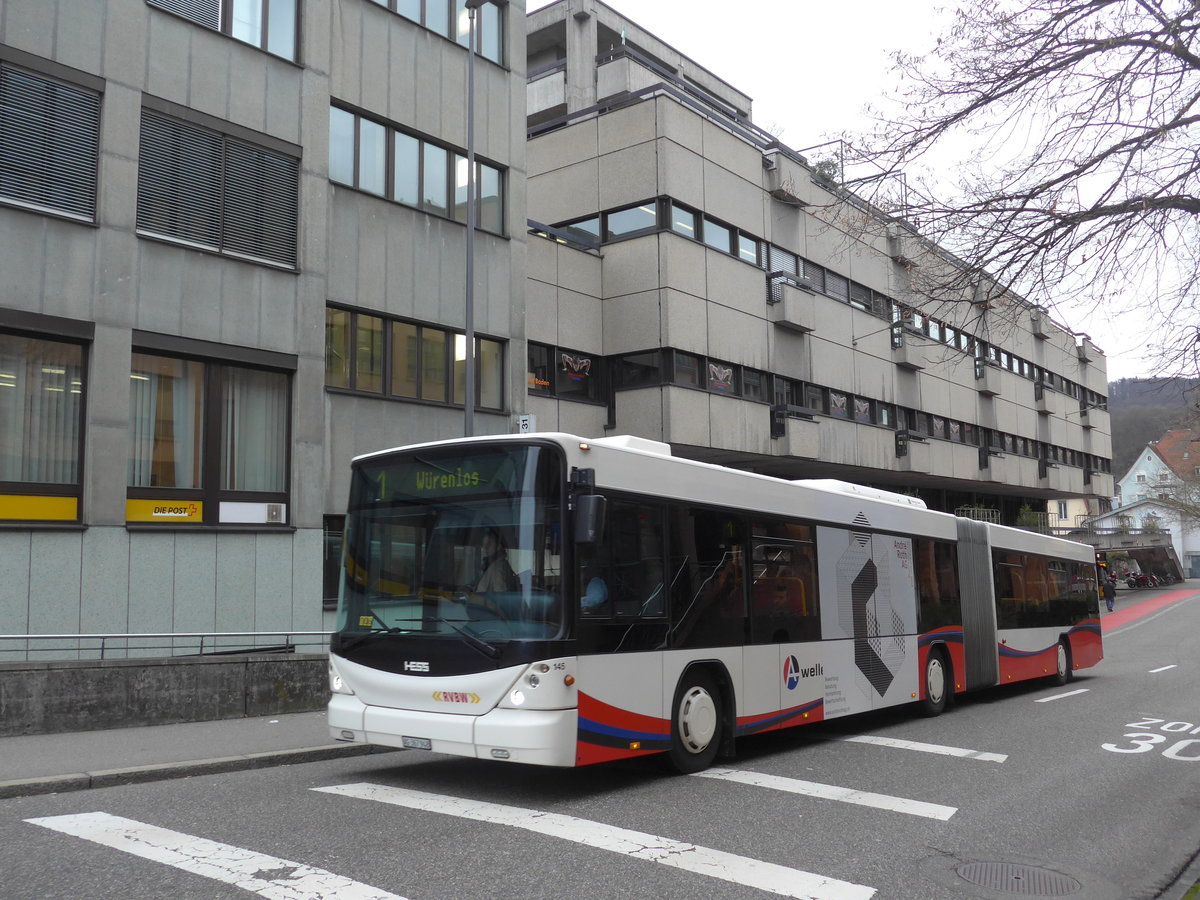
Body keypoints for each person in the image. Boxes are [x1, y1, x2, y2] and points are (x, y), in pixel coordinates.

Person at [476, 527, 518, 592]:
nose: (485, 548)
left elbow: (500, 596)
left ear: (498, 546)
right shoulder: (492, 565)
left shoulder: (498, 568)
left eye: (489, 544)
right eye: (484, 545)